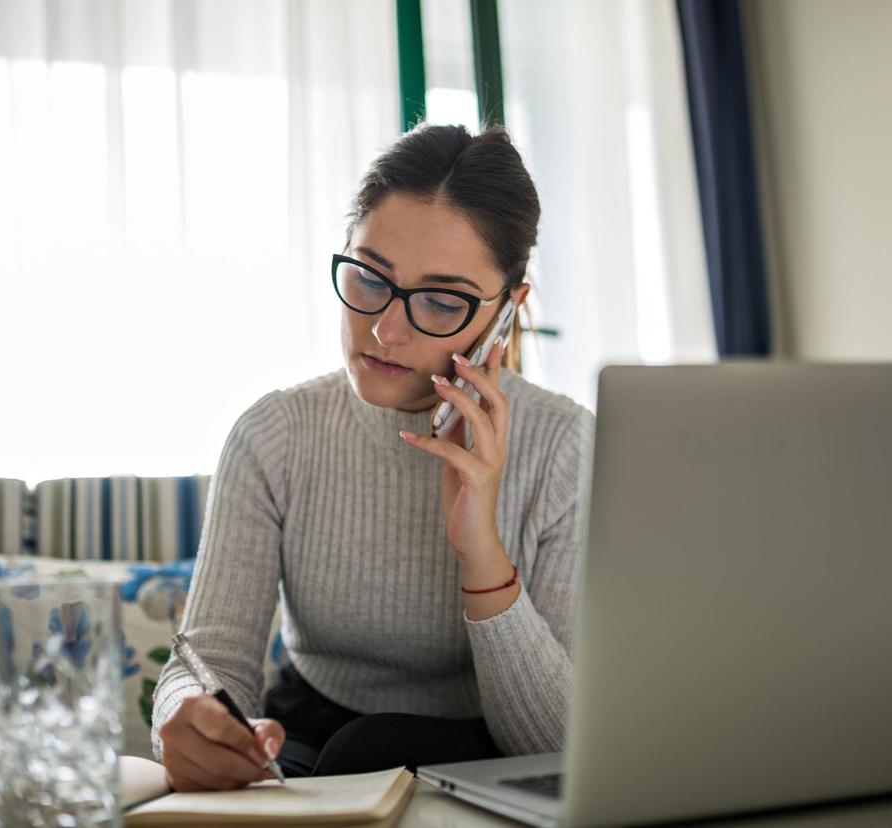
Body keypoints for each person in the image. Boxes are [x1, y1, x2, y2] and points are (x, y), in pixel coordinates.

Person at [152, 123, 594, 791]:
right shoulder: (276, 434)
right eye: (368, 278)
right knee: (356, 750)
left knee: (380, 746)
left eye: (443, 301)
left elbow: (558, 748)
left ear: (509, 309)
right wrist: (187, 717)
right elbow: (210, 659)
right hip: (312, 740)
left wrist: (480, 549)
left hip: (492, 755)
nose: (386, 329)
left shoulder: (565, 448)